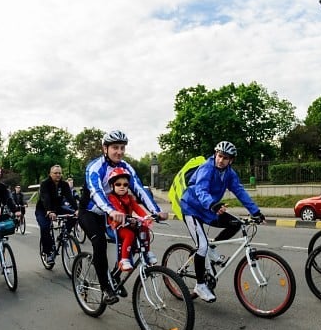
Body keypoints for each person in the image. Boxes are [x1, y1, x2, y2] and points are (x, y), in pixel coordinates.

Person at [82, 130, 165, 304]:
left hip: (114, 213)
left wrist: (155, 210)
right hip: (91, 212)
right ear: (105, 148)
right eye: (115, 148)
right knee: (99, 244)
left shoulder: (125, 166)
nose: (119, 151)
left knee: (134, 239)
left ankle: (115, 275)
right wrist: (111, 211)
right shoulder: (95, 167)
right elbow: (96, 192)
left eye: (122, 148)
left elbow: (139, 189)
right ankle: (106, 289)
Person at [179, 141, 263, 303]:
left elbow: (240, 191)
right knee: (201, 246)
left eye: (225, 158)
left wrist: (256, 212)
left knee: (236, 223)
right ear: (215, 154)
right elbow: (201, 189)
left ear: (231, 160)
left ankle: (212, 247)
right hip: (192, 208)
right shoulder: (206, 168)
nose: (221, 160)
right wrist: (213, 204)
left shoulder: (230, 174)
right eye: (219, 156)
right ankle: (200, 285)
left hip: (210, 209)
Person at [104, 167, 153, 271]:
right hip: (116, 225)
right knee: (129, 234)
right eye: (118, 184)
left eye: (125, 185)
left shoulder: (130, 198)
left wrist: (146, 217)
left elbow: (138, 208)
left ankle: (147, 253)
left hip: (129, 223)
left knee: (144, 229)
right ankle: (124, 260)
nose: (122, 187)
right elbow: (118, 211)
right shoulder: (111, 198)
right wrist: (129, 218)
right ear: (112, 186)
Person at [36, 164, 77, 266]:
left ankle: (64, 234)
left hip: (58, 208)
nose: (58, 175)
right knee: (45, 227)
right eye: (55, 173)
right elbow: (45, 198)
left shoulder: (64, 184)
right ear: (50, 174)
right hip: (43, 210)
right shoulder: (45, 184)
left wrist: (77, 209)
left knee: (74, 216)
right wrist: (49, 211)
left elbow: (70, 198)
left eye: (59, 173)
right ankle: (48, 253)